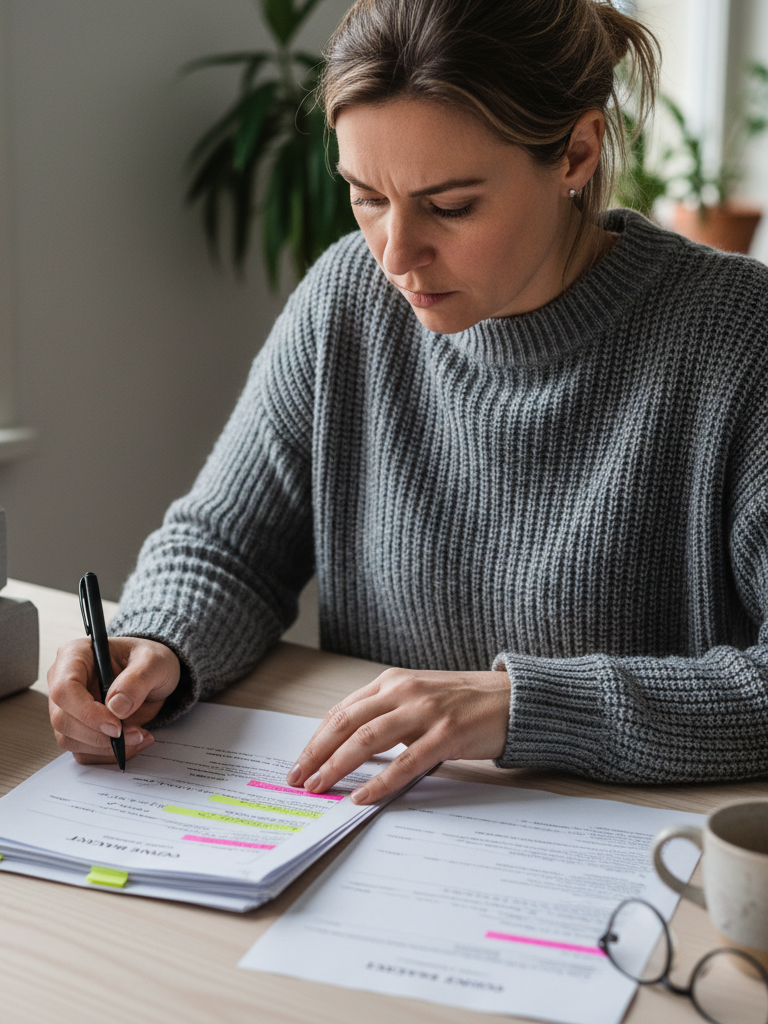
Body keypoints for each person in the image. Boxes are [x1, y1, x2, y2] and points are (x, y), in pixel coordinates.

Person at [47, 0, 768, 802]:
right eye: (365, 195)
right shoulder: (347, 301)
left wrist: (521, 706)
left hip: (647, 851)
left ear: (576, 152)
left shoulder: (740, 338)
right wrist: (155, 641)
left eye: (451, 206)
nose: (396, 253)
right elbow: (228, 546)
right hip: (386, 830)